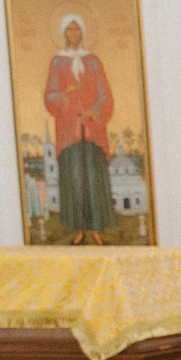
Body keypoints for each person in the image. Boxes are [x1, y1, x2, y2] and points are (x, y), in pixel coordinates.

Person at [42, 14, 117, 243]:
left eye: (77, 29)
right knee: (73, 176)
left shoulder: (93, 61)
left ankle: (96, 228)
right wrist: (68, 94)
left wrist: (93, 112)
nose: (74, 34)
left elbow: (105, 94)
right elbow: (50, 96)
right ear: (64, 33)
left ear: (82, 32)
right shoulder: (57, 62)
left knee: (94, 176)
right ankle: (78, 229)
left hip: (92, 127)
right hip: (68, 128)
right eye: (70, 30)